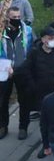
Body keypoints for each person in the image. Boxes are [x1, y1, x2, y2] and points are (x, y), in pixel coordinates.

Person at [21, 27, 54, 143]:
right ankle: (47, 143)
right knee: (45, 119)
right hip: (41, 92)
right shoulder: (34, 52)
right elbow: (27, 69)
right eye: (50, 38)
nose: (53, 40)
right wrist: (32, 85)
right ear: (43, 39)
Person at [0, 7, 34, 139]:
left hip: (22, 70)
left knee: (24, 100)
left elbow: (32, 49)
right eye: (13, 17)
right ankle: (3, 126)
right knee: (3, 100)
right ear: (7, 18)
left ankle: (23, 127)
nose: (17, 20)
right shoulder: (1, 32)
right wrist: (5, 64)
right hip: (5, 70)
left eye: (19, 17)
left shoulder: (27, 31)